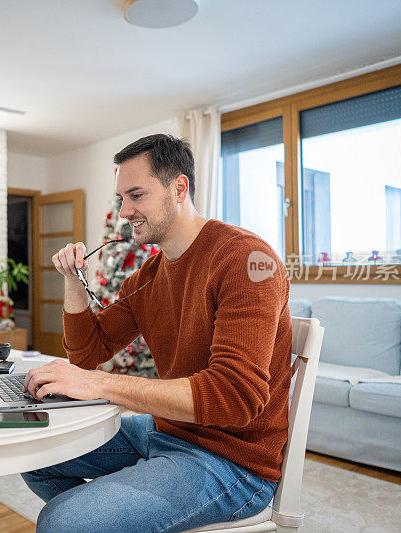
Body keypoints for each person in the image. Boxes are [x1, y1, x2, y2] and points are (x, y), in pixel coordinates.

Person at [21, 134, 292, 533]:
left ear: (178, 188)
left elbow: (235, 398)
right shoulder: (150, 275)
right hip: (168, 430)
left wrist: (100, 384)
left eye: (136, 195)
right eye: (122, 197)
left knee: (63, 522)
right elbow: (87, 352)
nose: (124, 210)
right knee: (34, 453)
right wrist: (72, 281)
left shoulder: (247, 260)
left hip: (234, 461)